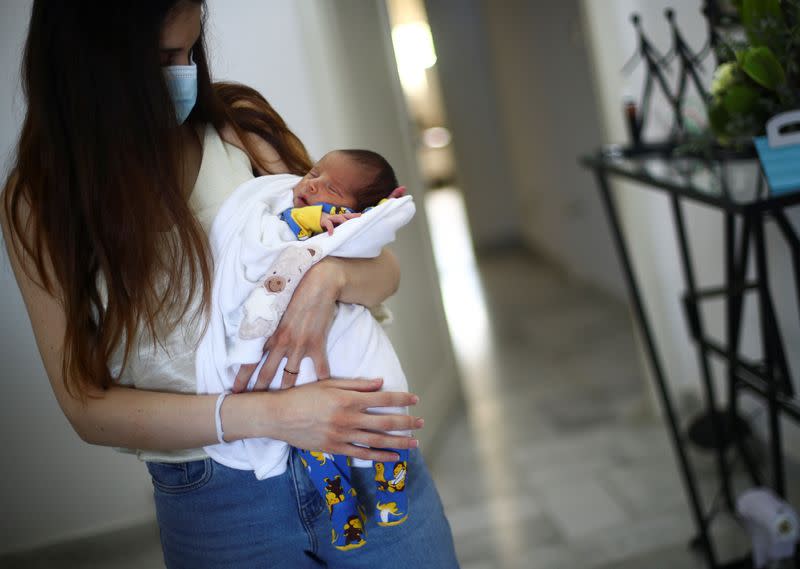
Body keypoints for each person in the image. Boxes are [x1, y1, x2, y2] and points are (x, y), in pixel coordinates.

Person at [0, 2, 459, 568]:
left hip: (364, 449)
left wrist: (328, 280)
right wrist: (278, 415)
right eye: (165, 57)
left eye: (191, 51)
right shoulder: (39, 201)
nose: (185, 72)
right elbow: (86, 408)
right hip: (222, 505)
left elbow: (381, 269)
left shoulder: (236, 125)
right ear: (92, 65)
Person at [200, 148, 416, 550]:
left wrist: (372, 217)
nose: (312, 183)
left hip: (345, 352)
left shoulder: (353, 228)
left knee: (385, 424)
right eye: (313, 173)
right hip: (298, 381)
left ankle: (392, 492)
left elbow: (375, 243)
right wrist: (316, 216)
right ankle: (343, 511)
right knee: (316, 445)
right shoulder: (289, 216)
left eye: (330, 187)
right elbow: (281, 229)